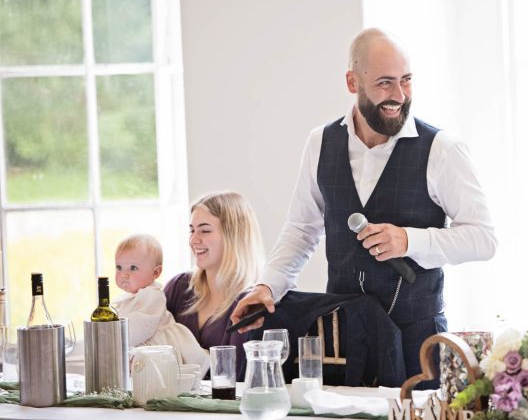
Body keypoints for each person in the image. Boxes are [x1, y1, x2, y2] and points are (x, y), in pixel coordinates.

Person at [231, 28, 497, 381]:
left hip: (417, 343)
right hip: (343, 340)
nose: (399, 95)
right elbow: (301, 230)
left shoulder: (442, 149)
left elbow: (483, 239)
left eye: (407, 81)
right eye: (385, 83)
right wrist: (266, 287)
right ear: (352, 82)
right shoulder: (320, 143)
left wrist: (409, 241)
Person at [165, 191, 262, 378]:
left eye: (205, 230)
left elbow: (239, 379)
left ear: (234, 235)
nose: (194, 240)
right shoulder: (179, 288)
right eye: (192, 230)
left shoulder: (250, 303)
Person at [113, 234, 210, 372]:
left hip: (158, 349)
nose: (124, 274)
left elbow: (141, 327)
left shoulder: (153, 295)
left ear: (156, 272)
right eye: (119, 267)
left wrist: (114, 337)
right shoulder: (125, 300)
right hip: (137, 346)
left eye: (133, 268)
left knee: (154, 375)